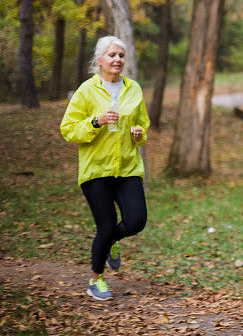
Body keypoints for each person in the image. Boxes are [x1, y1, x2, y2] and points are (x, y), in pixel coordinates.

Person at [60, 36, 150, 301]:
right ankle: (95, 280)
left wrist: (138, 134)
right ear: (99, 60)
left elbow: (143, 127)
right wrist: (95, 122)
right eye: (112, 55)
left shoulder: (134, 89)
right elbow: (68, 129)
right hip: (96, 171)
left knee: (136, 221)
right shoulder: (87, 91)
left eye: (121, 55)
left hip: (127, 169)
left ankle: (112, 241)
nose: (117, 60)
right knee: (106, 225)